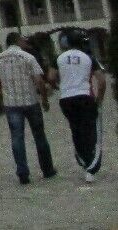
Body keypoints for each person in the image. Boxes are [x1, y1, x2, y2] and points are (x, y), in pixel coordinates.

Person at [0, 31, 57, 184]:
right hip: (31, 101)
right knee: (39, 135)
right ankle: (47, 169)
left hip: (11, 104)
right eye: (22, 40)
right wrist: (44, 99)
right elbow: (39, 81)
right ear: (17, 41)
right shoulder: (28, 57)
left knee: (17, 138)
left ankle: (22, 173)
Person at [50, 31, 106, 183]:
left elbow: (51, 77)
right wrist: (99, 99)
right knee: (90, 131)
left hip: (66, 99)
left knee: (76, 130)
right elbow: (101, 81)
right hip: (85, 97)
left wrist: (59, 86)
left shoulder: (59, 58)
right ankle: (91, 166)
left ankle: (82, 159)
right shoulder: (89, 58)